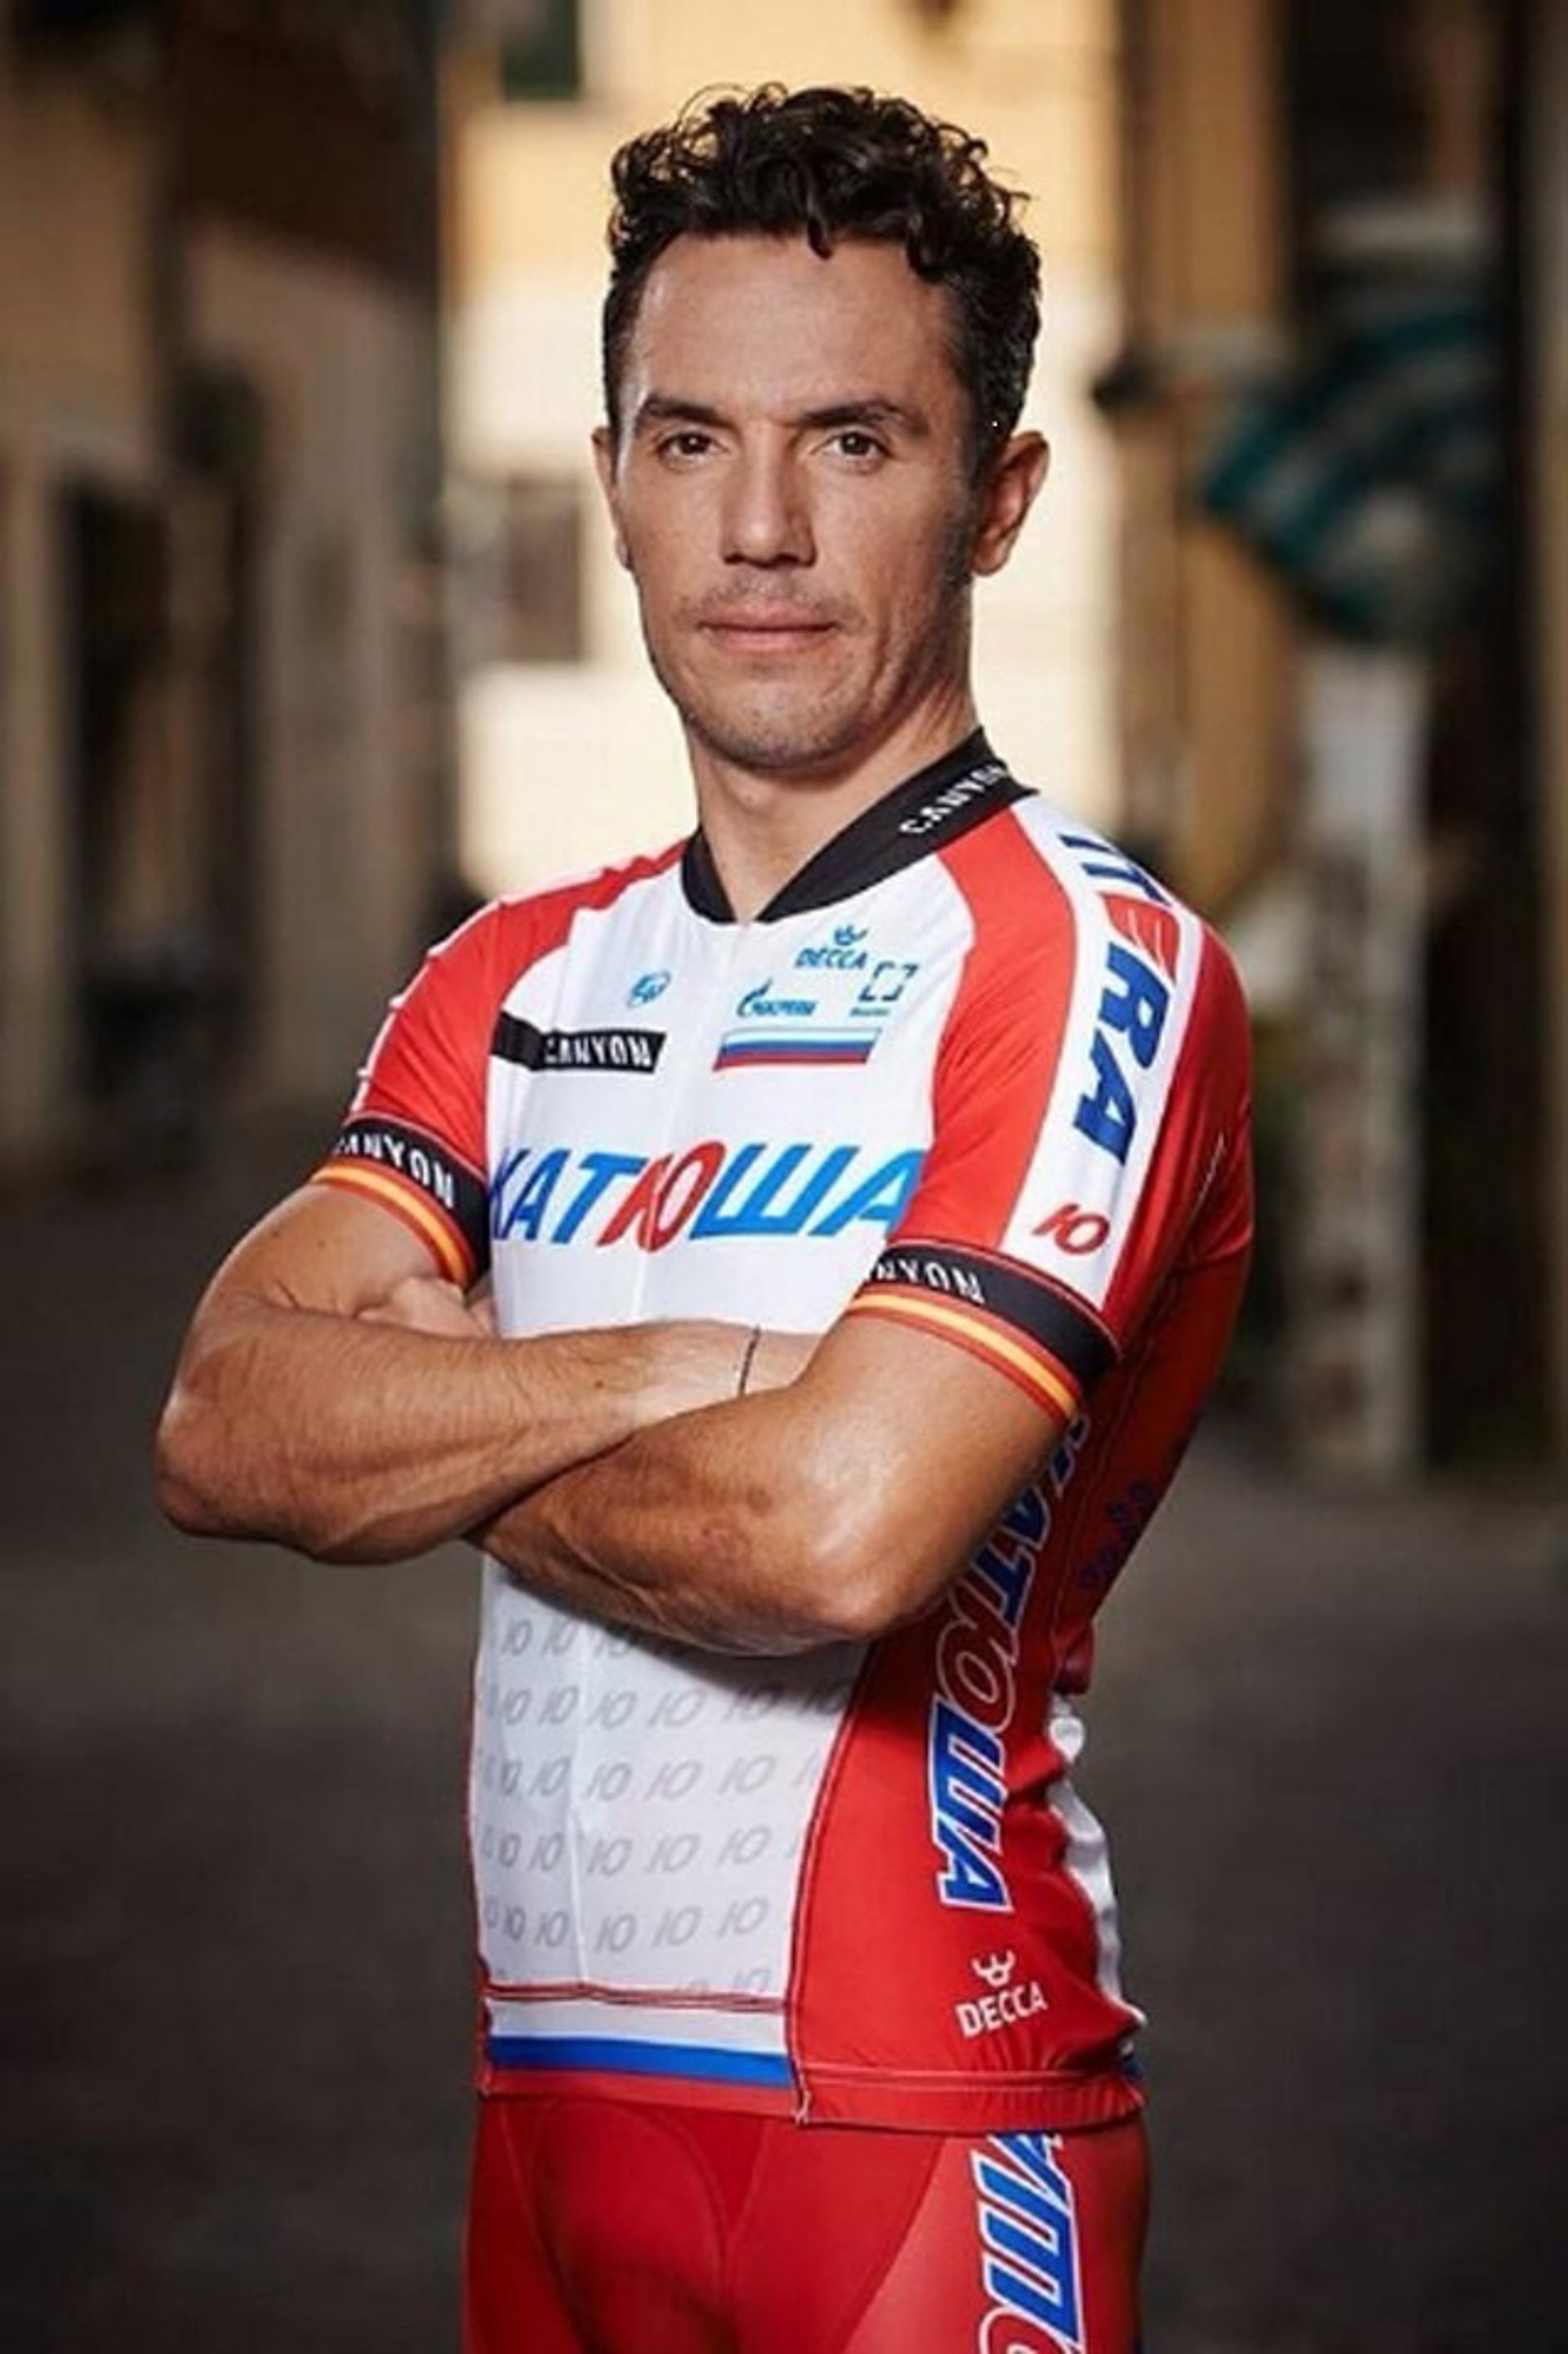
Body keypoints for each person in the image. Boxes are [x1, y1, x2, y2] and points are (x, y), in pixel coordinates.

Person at [157, 83, 1251, 2354]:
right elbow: (228, 1426)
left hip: (920, 2132)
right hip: (542, 2126)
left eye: (854, 442)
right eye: (691, 442)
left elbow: (832, 1539)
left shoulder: (1084, 963)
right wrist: (687, 1368)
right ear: (613, 485)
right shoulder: (509, 977)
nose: (760, 528)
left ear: (998, 497)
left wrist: (437, 1418)